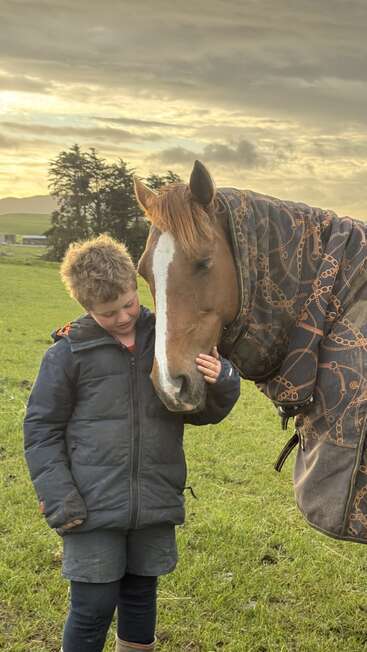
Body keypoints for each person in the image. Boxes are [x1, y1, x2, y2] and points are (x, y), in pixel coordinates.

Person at [24, 234, 240, 652]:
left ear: (136, 287)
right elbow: (41, 430)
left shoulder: (167, 337)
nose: (124, 317)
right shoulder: (68, 352)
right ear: (87, 308)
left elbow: (200, 412)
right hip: (90, 504)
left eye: (128, 304)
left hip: (154, 498)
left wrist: (223, 382)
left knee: (141, 596)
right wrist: (58, 497)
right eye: (108, 313)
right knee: (92, 606)